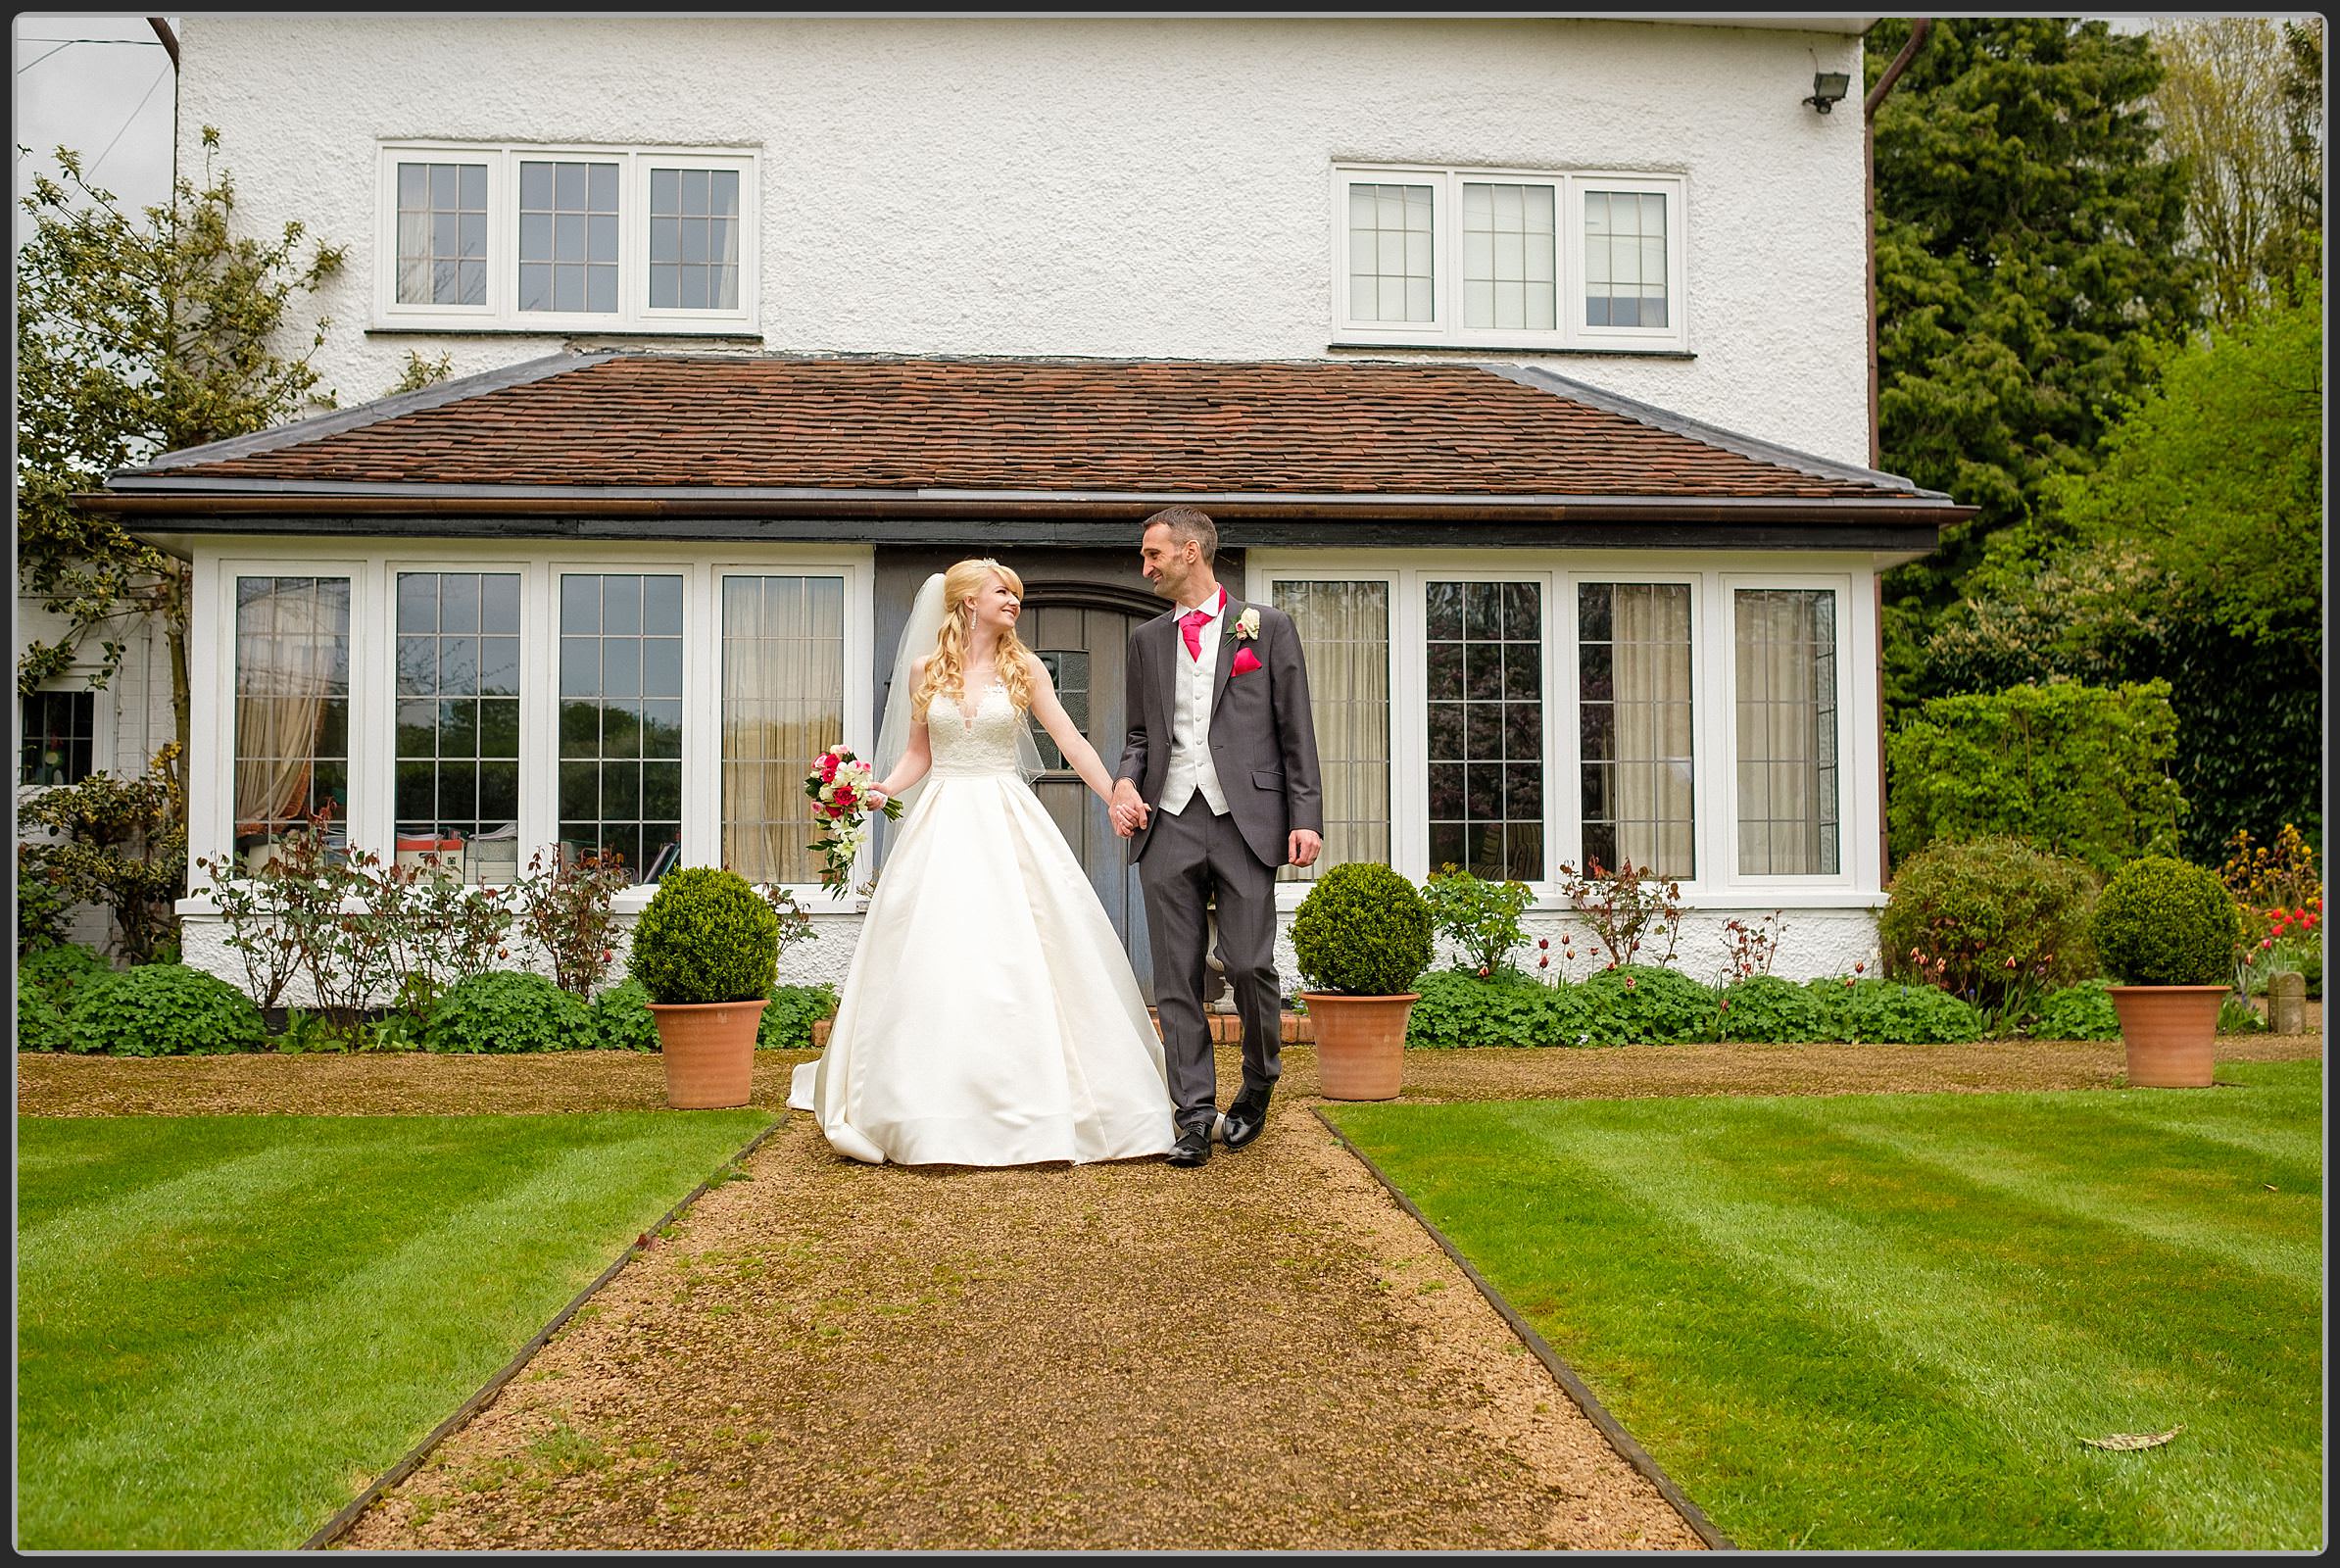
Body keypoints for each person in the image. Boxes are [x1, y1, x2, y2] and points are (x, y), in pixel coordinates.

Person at [787, 559, 1177, 1166]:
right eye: (1004, 592)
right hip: (942, 814)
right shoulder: (925, 671)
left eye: (1016, 593)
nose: (1014, 601)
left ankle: (1046, 1097)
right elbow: (920, 753)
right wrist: (883, 788)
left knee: (1024, 944)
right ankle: (925, 1096)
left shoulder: (1023, 668)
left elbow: (1069, 739)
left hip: (1006, 811)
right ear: (969, 601)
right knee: (937, 948)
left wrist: (1115, 794)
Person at [1109, 507, 1324, 1169]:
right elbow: (1141, 737)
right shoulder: (1147, 640)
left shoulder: (1268, 629)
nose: (1144, 568)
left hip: (1247, 821)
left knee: (1249, 963)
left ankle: (1259, 1080)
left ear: (1192, 551)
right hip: (1169, 822)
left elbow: (1296, 730)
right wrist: (1123, 784)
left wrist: (1305, 815)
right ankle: (1195, 1116)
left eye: (1153, 555)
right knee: (1175, 977)